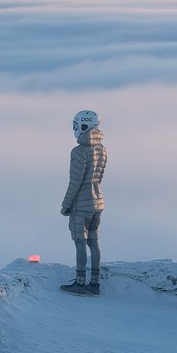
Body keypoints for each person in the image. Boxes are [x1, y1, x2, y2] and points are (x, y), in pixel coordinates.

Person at [60, 110, 107, 296]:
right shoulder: (102, 149)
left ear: (82, 125)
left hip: (82, 203)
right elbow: (99, 177)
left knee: (80, 241)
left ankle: (80, 284)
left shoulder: (79, 151)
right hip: (98, 200)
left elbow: (75, 181)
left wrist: (66, 204)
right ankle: (95, 284)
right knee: (94, 242)